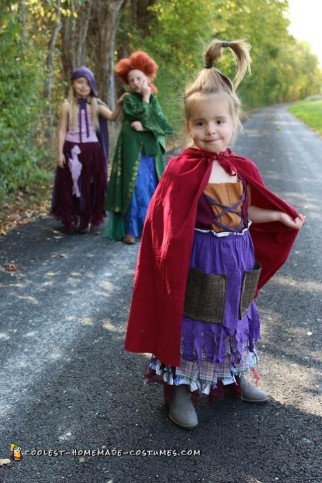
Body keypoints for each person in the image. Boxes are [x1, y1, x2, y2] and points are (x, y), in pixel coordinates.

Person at [124, 39, 306, 429]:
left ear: (234, 122)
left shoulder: (239, 167)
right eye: (200, 123)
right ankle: (180, 389)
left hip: (237, 257)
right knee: (195, 318)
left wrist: (278, 214)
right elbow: (167, 224)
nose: (210, 131)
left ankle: (236, 375)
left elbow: (245, 210)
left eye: (219, 122)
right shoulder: (181, 169)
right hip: (200, 260)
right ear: (189, 126)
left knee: (234, 316)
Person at [103, 51, 174, 244]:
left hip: (149, 153)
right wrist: (144, 100)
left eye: (139, 78)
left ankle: (150, 229)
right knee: (133, 187)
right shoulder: (129, 99)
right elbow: (137, 113)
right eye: (131, 79)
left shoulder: (154, 100)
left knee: (151, 187)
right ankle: (131, 230)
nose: (135, 82)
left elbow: (163, 125)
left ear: (148, 78)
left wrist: (146, 126)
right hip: (132, 150)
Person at [52, 66, 127, 234]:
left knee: (90, 184)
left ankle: (86, 218)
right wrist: (59, 153)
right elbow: (62, 130)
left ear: (91, 85)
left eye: (87, 83)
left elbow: (112, 117)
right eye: (80, 82)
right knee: (71, 183)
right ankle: (73, 215)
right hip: (71, 149)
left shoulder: (96, 104)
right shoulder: (66, 105)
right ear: (72, 83)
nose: (83, 86)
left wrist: (119, 103)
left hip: (92, 151)